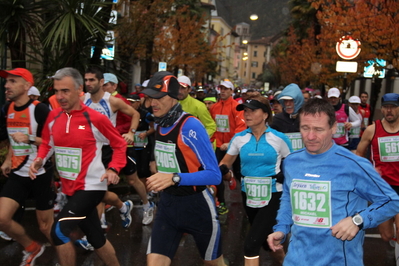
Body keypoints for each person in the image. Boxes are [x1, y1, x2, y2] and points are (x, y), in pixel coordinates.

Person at [267, 98, 399, 265]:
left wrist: (357, 220)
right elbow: (288, 198)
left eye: (318, 129)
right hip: (296, 259)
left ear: (333, 128)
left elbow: (391, 201)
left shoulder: (353, 165)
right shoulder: (292, 161)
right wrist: (281, 229)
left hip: (338, 261)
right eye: (305, 128)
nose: (310, 136)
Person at [29, 67, 124, 266]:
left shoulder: (94, 118)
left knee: (59, 232)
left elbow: (119, 143)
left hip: (91, 187)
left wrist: (113, 168)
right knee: (96, 238)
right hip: (70, 188)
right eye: (56, 91)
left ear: (79, 89)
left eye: (65, 91)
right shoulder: (54, 116)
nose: (60, 96)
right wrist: (39, 159)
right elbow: (47, 143)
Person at [142, 71, 226, 266]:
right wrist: (158, 168)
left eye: (159, 97)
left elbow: (214, 175)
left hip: (197, 206)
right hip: (168, 206)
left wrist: (175, 178)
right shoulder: (159, 123)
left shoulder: (190, 126)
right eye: (149, 97)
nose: (152, 103)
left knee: (214, 263)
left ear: (173, 97)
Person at [219, 96, 292, 266]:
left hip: (274, 195)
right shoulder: (239, 138)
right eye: (245, 111)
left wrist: (285, 172)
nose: (247, 114)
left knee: (251, 245)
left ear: (265, 114)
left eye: (253, 110)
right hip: (249, 195)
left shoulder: (279, 138)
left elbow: (293, 163)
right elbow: (225, 164)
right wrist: (222, 172)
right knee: (269, 243)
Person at [0, 68, 54, 266]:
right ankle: (32, 247)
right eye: (7, 82)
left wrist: (30, 138)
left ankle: (68, 252)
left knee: (45, 227)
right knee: (2, 219)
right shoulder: (7, 109)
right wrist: (8, 159)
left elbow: (54, 141)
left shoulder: (40, 109)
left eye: (13, 81)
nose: (7, 86)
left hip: (40, 173)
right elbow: (12, 140)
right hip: (18, 173)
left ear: (27, 86)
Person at [83, 67, 139, 231]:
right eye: (86, 80)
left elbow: (135, 114)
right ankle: (122, 206)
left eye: (92, 80)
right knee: (95, 190)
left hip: (107, 149)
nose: (88, 83)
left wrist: (131, 133)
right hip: (89, 150)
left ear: (101, 82)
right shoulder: (82, 99)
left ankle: (97, 226)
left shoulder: (112, 101)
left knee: (97, 187)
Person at [102, 73, 155, 225]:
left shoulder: (120, 101)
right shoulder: (97, 102)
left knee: (132, 180)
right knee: (101, 182)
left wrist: (128, 133)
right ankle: (101, 220)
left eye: (106, 84)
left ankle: (146, 204)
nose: (104, 87)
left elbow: (135, 117)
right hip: (104, 148)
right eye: (102, 84)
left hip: (122, 146)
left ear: (114, 86)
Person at [357, 93, 399, 245]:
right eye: (386, 107)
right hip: (383, 188)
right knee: (386, 235)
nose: (389, 110)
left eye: (393, 107)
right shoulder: (372, 130)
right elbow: (359, 156)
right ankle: (393, 244)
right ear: (381, 109)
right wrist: (368, 172)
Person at [210, 80, 247, 215]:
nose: (223, 91)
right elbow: (213, 126)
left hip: (234, 147)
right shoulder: (214, 107)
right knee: (217, 173)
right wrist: (211, 141)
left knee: (240, 174)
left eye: (226, 89)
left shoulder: (237, 107)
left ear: (232, 91)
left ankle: (248, 202)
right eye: (221, 89)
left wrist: (231, 143)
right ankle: (222, 203)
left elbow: (241, 128)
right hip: (219, 146)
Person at [270, 84, 305, 151]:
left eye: (291, 100)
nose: (287, 104)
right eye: (285, 101)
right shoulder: (276, 120)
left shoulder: (308, 118)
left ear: (298, 100)